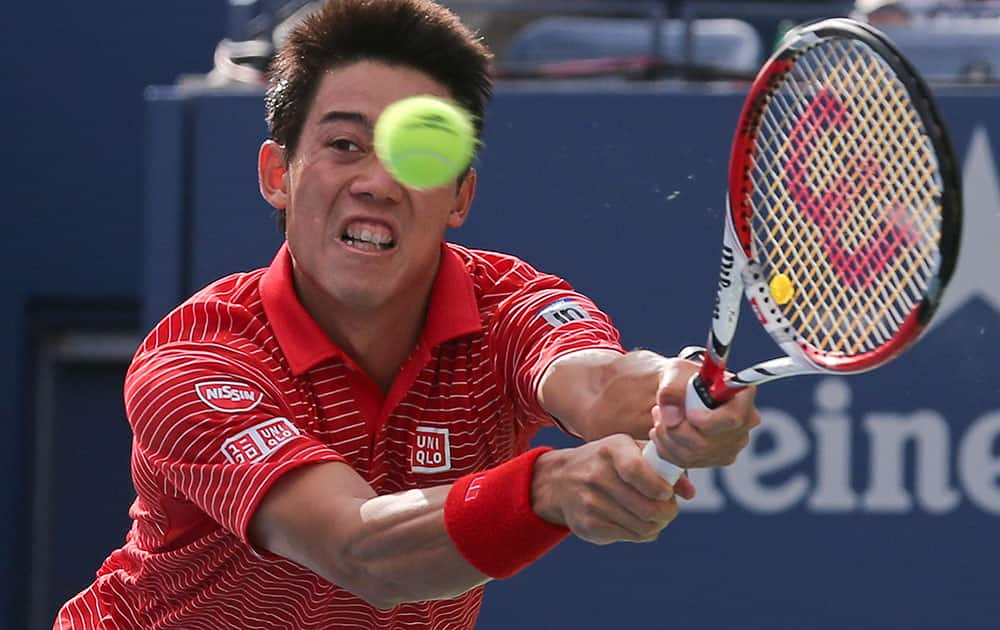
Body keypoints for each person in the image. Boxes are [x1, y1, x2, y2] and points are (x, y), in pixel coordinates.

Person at [54, 0, 759, 627]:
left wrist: (674, 387)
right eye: (344, 144)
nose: (378, 182)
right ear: (278, 174)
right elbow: (358, 550)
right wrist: (547, 487)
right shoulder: (196, 360)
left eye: (418, 153)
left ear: (459, 198)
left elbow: (598, 383)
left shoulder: (511, 307)